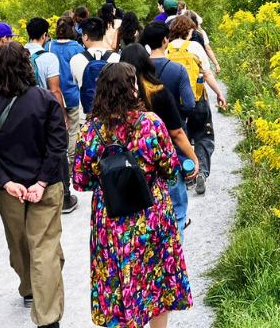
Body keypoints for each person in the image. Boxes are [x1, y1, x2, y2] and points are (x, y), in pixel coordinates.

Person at [72, 63, 192, 327]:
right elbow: (172, 171)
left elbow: (81, 182)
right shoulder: (151, 124)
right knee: (157, 279)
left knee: (118, 281)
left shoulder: (89, 132)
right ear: (131, 88)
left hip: (111, 219)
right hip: (152, 213)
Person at [0, 42, 68, 328]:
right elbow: (58, 145)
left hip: (8, 191)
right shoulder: (46, 100)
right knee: (45, 248)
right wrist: (41, 181)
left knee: (19, 243)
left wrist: (5, 182)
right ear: (28, 66)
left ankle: (28, 288)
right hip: (46, 187)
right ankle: (47, 318)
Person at [119, 44, 199, 233]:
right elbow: (177, 133)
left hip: (129, 165)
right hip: (163, 162)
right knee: (177, 213)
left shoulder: (118, 98)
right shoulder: (159, 92)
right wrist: (193, 158)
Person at [26, 18, 79, 214]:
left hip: (23, 111)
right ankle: (65, 195)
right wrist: (62, 115)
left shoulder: (19, 53)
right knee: (57, 148)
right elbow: (55, 90)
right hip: (45, 110)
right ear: (44, 35)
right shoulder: (48, 57)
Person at [169, 16, 226, 195]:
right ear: (188, 31)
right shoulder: (195, 47)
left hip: (173, 104)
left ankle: (187, 175)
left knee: (179, 138)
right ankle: (201, 172)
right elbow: (207, 75)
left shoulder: (166, 49)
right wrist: (219, 93)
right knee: (203, 136)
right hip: (196, 100)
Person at [46, 16, 87, 213]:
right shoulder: (76, 48)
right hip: (71, 94)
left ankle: (61, 163)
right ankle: (71, 165)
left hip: (53, 96)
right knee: (73, 131)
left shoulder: (49, 46)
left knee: (57, 132)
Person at [70, 17, 120, 113]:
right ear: (103, 34)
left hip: (87, 115)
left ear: (85, 36)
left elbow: (77, 84)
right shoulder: (117, 58)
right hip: (112, 113)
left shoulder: (75, 60)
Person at [181, 11, 221, 75]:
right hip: (199, 64)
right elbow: (208, 49)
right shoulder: (200, 32)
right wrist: (216, 63)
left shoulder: (179, 34)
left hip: (184, 64)